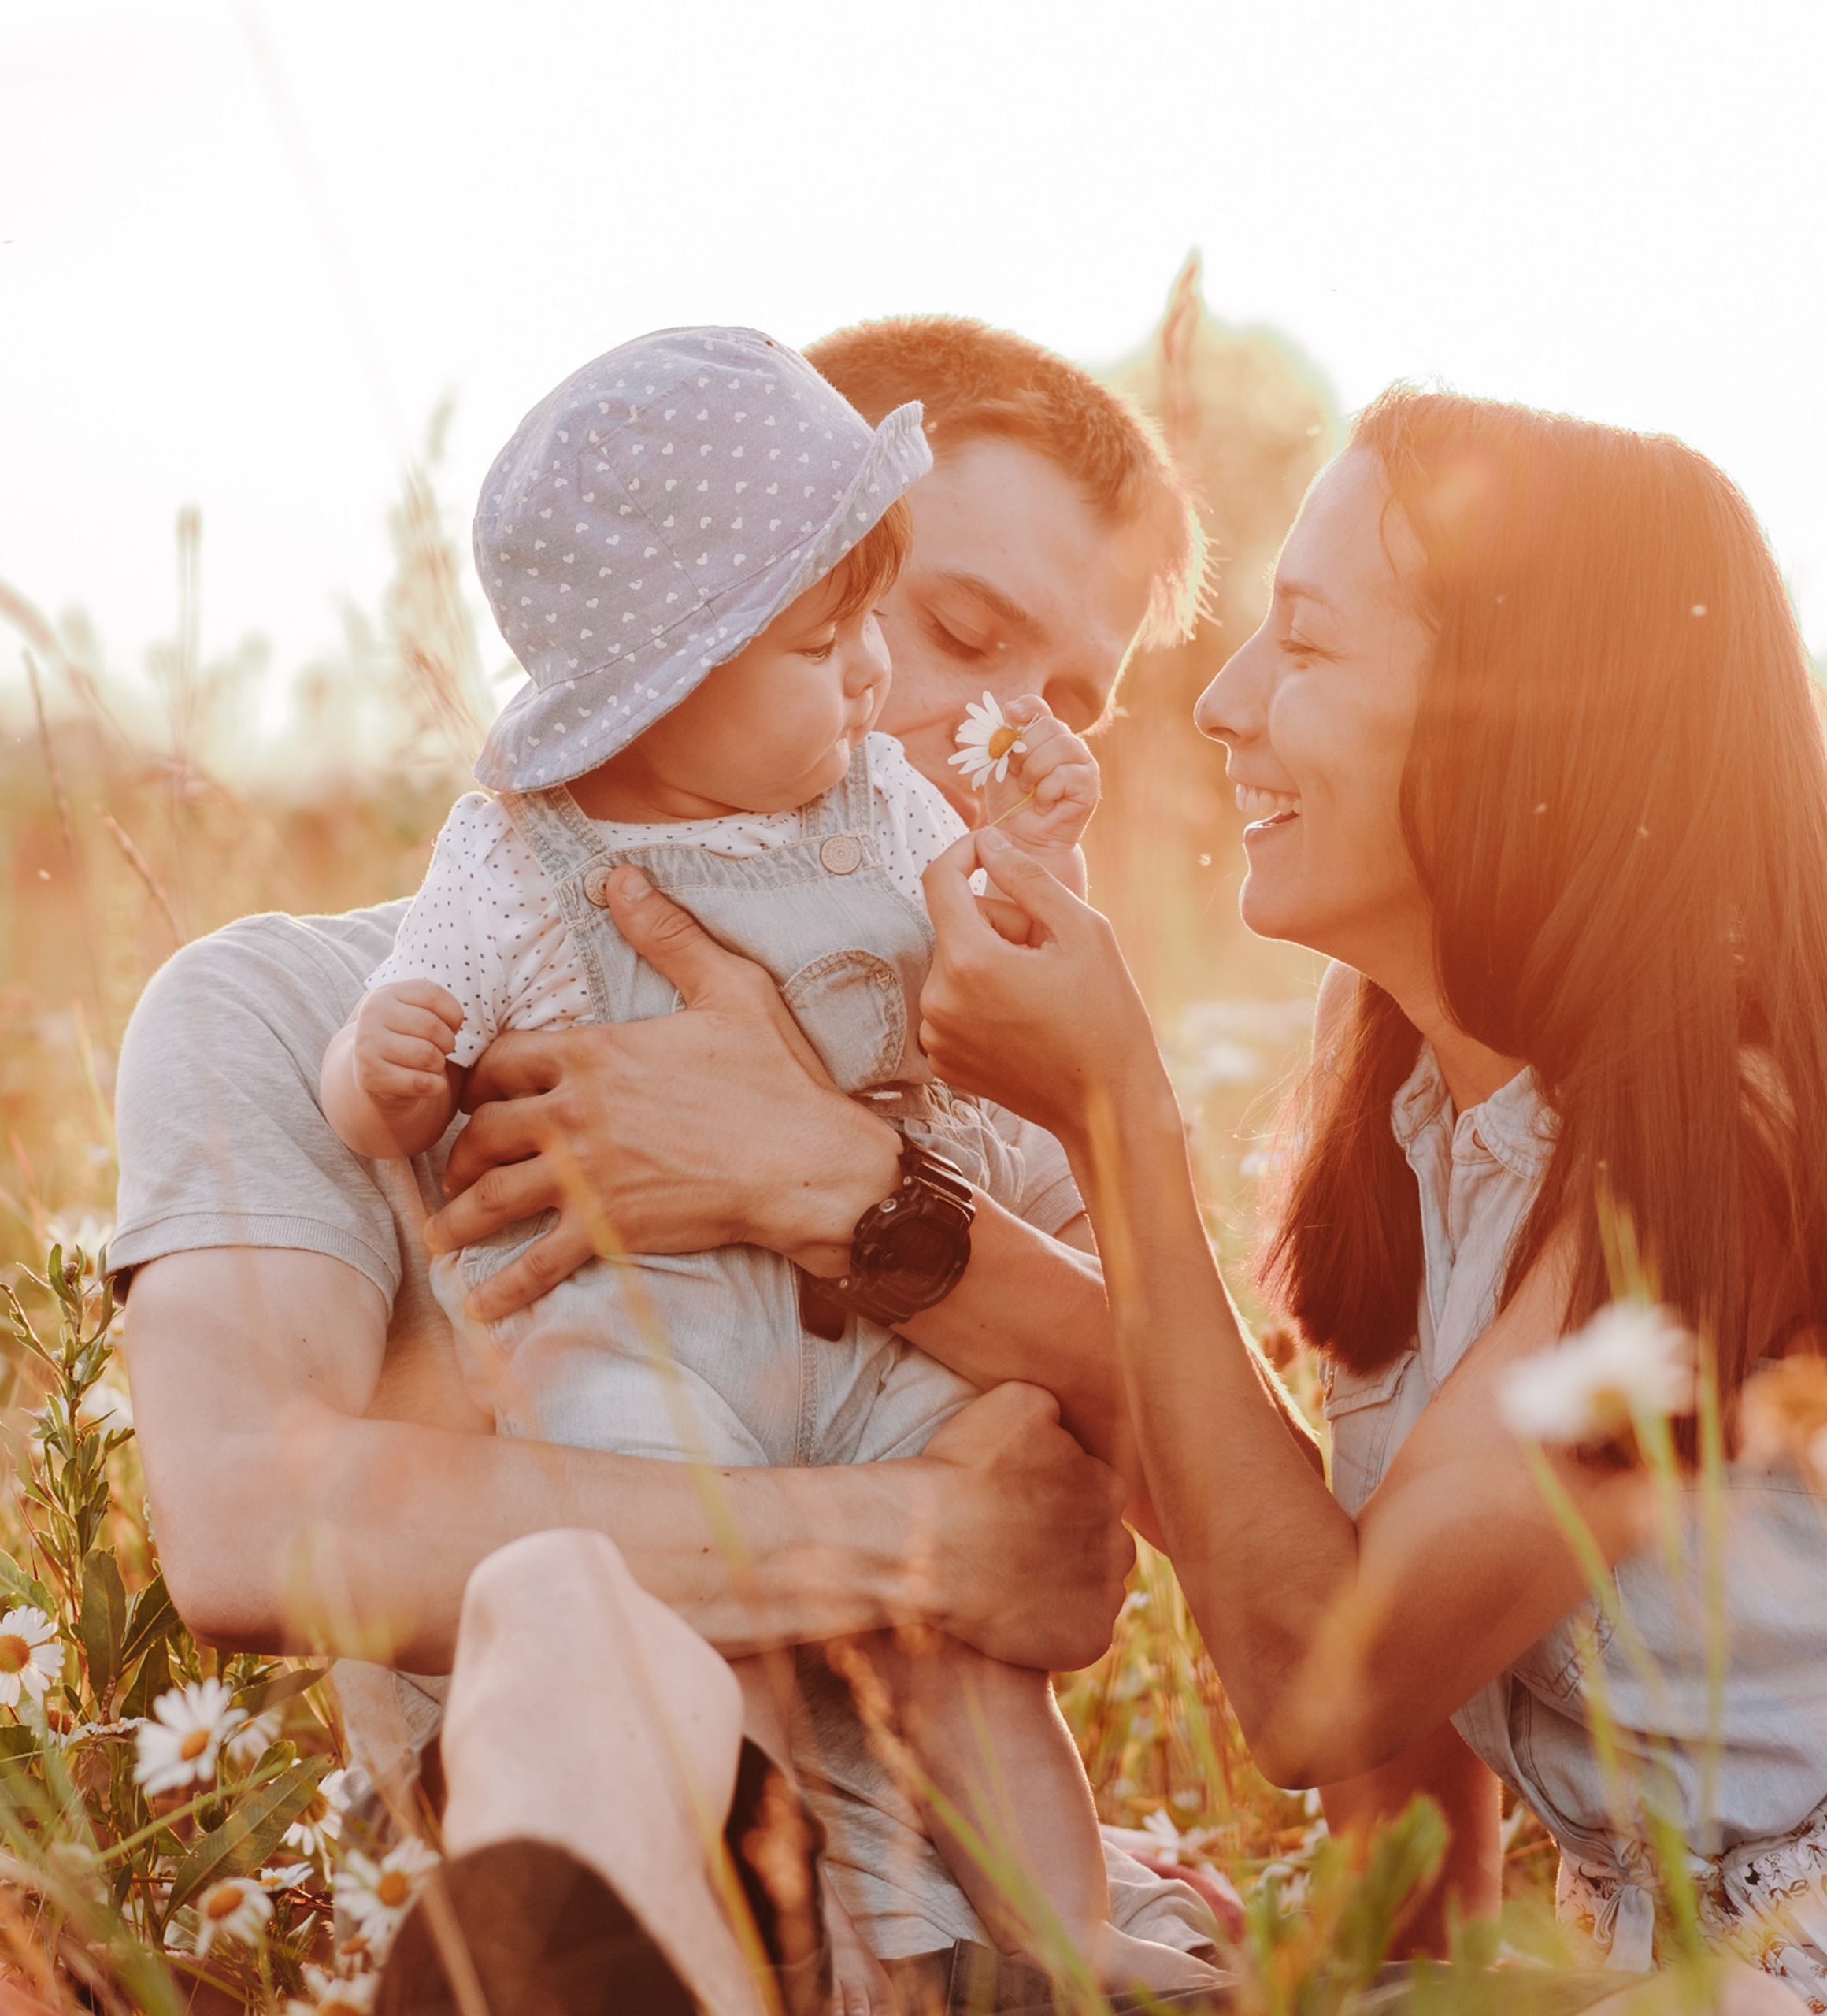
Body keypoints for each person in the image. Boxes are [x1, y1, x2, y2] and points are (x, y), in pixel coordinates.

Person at [112, 317, 1295, 1993]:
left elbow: (1262, 1566)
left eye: (1069, 702)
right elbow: (250, 1516)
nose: (996, 731)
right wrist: (915, 1542)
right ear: (734, 586)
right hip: (607, 1900)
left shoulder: (981, 1072)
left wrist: (845, 1181)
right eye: (955, 629)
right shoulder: (298, 1004)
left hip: (982, 1922)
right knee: (579, 1632)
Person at [906, 387, 1827, 2014]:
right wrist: (1372, 1971)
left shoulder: (1726, 1148)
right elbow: (1403, 1690)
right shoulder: (1432, 1104)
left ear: (1516, 722)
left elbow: (1319, 1682)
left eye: (1305, 643)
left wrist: (1111, 1113)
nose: (1219, 701)